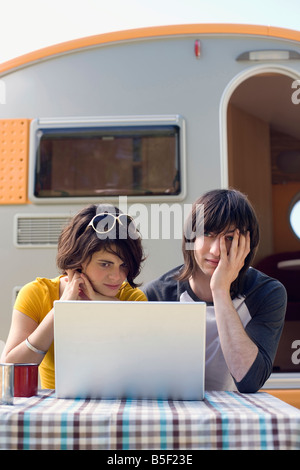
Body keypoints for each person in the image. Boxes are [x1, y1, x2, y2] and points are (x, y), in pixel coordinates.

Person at [143, 189, 287, 393]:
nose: (216, 251)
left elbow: (249, 381)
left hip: (236, 416)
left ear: (248, 244)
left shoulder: (267, 293)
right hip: (176, 410)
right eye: (207, 234)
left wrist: (220, 290)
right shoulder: (157, 294)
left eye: (229, 238)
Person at [1, 204, 146, 389]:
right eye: (105, 264)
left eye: (123, 265)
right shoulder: (36, 294)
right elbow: (11, 372)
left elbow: (142, 372)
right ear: (76, 262)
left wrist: (104, 303)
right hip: (56, 409)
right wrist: (60, 311)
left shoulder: (132, 300)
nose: (117, 276)